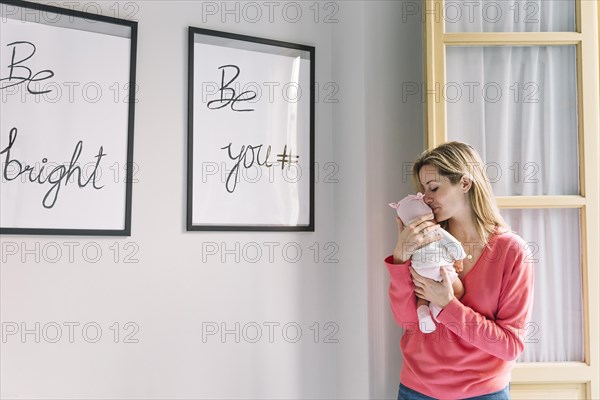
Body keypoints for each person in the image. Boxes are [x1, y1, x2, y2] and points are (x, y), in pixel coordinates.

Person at [385, 141, 534, 400]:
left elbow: (510, 345)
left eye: (434, 187)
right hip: (416, 389)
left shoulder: (512, 252)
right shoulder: (426, 243)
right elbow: (408, 321)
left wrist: (448, 305)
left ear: (465, 184)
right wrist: (400, 257)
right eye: (423, 190)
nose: (426, 198)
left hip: (483, 393)